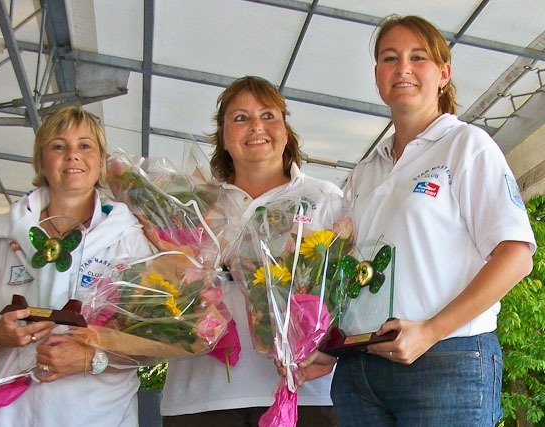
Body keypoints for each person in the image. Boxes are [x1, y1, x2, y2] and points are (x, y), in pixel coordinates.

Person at [293, 15, 536, 427]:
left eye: (417, 57)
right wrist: (328, 343)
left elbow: (516, 255)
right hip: (361, 368)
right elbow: (351, 274)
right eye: (390, 58)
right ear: (377, 76)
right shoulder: (366, 170)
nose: (402, 67)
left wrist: (431, 330)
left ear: (443, 73)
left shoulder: (466, 146)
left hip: (446, 361)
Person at [0, 106, 154, 427]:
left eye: (85, 146)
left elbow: (153, 342)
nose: (72, 155)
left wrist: (92, 358)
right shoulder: (3, 234)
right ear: (41, 161)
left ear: (100, 161)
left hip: (100, 415)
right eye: (59, 146)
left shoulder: (130, 239)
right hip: (14, 416)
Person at [160, 76, 342, 426]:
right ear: (223, 137)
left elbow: (347, 295)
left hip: (304, 397)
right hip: (198, 400)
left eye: (269, 116)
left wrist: (330, 350)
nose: (257, 127)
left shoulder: (324, 199)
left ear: (286, 130)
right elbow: (160, 284)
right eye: (240, 118)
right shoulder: (194, 203)